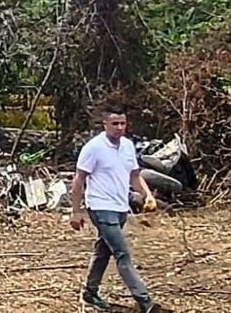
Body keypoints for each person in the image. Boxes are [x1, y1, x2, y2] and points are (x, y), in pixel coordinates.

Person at [70, 104, 167, 313]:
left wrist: (147, 195)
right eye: (115, 123)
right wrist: (76, 211)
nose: (120, 127)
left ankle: (90, 291)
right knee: (122, 254)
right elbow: (78, 180)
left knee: (103, 251)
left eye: (123, 123)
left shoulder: (128, 146)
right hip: (99, 206)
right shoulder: (93, 148)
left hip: (120, 206)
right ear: (105, 124)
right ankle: (145, 302)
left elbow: (134, 175)